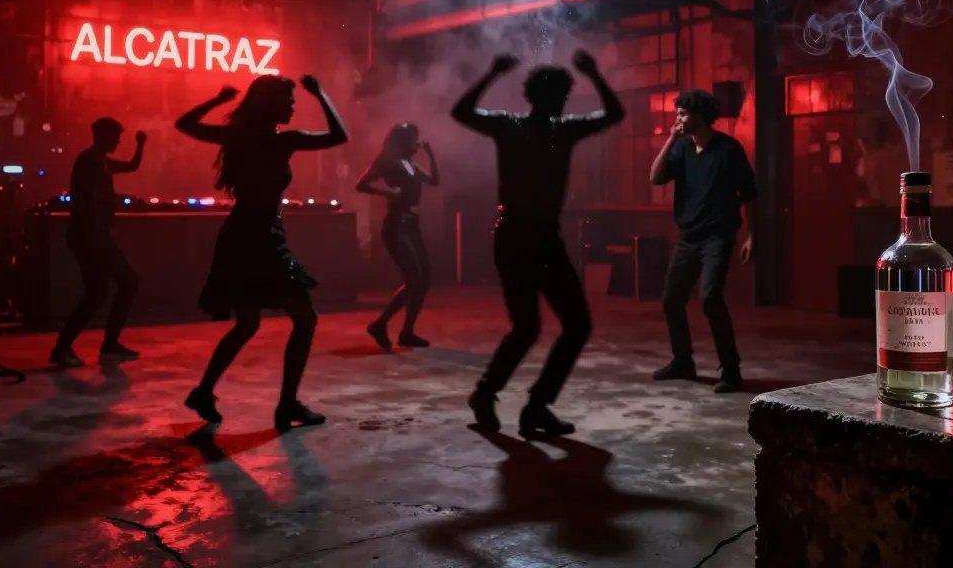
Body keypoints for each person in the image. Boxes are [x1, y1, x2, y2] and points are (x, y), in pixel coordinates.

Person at [452, 50, 624, 437]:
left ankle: (524, 403)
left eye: (562, 96)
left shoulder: (544, 129)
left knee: (562, 325)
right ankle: (509, 400)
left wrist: (492, 73)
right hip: (520, 235)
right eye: (557, 95)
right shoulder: (531, 128)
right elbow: (460, 113)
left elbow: (613, 115)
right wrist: (593, 73)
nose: (560, 102)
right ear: (536, 97)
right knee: (537, 327)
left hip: (534, 236)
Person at [175, 74, 348, 431]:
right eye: (289, 100)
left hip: (240, 236)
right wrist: (321, 93)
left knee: (249, 322)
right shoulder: (284, 142)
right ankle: (287, 404)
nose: (293, 106)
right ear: (271, 104)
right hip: (264, 239)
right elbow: (339, 136)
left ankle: (205, 391)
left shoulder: (239, 137)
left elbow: (185, 124)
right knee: (305, 318)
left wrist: (218, 100)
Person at [648, 90, 756, 393]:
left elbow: (749, 194)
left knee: (710, 298)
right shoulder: (681, 148)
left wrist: (752, 235)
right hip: (688, 237)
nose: (678, 119)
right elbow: (656, 178)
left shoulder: (728, 150)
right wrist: (670, 139)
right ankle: (683, 361)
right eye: (678, 113)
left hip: (717, 236)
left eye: (683, 114)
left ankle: (731, 369)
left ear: (699, 116)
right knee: (671, 299)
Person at [50, 118, 145, 368]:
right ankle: (108, 345)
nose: (117, 142)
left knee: (96, 293)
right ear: (101, 135)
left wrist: (140, 146)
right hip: (91, 235)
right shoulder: (92, 161)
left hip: (90, 235)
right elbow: (94, 194)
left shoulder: (98, 161)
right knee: (127, 281)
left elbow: (132, 166)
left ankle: (64, 348)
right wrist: (121, 199)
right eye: (115, 137)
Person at [355, 122, 439, 351]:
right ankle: (380, 324)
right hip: (396, 224)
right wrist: (386, 192)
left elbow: (435, 181)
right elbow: (361, 184)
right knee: (414, 277)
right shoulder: (387, 161)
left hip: (412, 224)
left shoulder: (411, 164)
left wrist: (430, 154)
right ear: (403, 140)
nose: (417, 142)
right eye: (414, 138)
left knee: (425, 277)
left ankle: (407, 332)